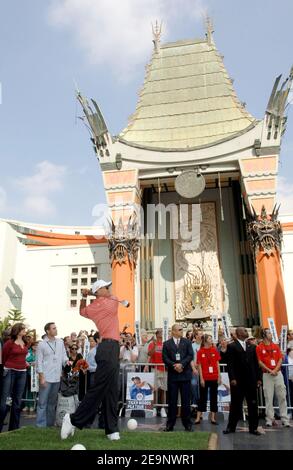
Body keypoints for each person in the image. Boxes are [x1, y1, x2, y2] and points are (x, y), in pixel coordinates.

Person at [61, 279, 129, 441]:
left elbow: (82, 311)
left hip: (108, 348)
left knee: (111, 390)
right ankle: (73, 419)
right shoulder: (110, 302)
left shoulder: (93, 307)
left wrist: (85, 296)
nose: (109, 288)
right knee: (99, 388)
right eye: (106, 287)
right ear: (100, 291)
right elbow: (110, 297)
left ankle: (111, 429)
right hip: (108, 348)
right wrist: (91, 293)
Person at [223, 327, 262, 435]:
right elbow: (230, 364)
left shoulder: (252, 346)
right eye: (244, 331)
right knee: (236, 405)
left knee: (253, 405)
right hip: (238, 381)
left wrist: (259, 378)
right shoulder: (232, 346)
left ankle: (253, 428)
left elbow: (256, 364)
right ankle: (231, 427)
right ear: (239, 333)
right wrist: (232, 378)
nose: (246, 332)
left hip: (251, 380)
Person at [162, 323, 194, 432]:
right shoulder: (166, 344)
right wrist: (174, 365)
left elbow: (190, 355)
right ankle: (170, 424)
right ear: (174, 331)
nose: (182, 331)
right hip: (173, 376)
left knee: (186, 402)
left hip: (185, 376)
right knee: (172, 401)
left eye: (182, 329)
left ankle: (187, 424)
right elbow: (165, 358)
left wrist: (182, 364)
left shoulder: (187, 342)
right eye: (180, 329)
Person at [36, 322, 68, 427]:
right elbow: (39, 361)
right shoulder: (42, 344)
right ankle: (40, 425)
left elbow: (63, 356)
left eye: (56, 328)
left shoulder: (60, 342)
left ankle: (49, 425)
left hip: (56, 377)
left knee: (52, 403)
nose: (56, 329)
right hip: (46, 377)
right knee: (42, 403)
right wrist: (41, 377)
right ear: (48, 331)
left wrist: (67, 362)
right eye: (53, 328)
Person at [256, 328, 290, 427]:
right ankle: (269, 418)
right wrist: (270, 370)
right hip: (267, 374)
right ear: (264, 335)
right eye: (269, 333)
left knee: (282, 396)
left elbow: (280, 359)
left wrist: (275, 369)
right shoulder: (259, 347)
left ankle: (285, 419)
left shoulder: (275, 346)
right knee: (268, 397)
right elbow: (260, 362)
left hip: (278, 373)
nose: (271, 334)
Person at [0, 323, 28, 432]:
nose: (25, 330)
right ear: (17, 330)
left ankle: (14, 429)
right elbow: (4, 357)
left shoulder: (25, 342)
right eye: (23, 329)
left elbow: (22, 356)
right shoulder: (9, 343)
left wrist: (24, 362)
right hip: (10, 371)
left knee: (17, 402)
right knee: (5, 402)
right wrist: (6, 368)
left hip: (23, 372)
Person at [195, 334, 221, 425]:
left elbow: (217, 363)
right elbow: (199, 366)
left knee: (214, 397)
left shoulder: (214, 350)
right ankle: (198, 417)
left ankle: (213, 417)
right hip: (205, 377)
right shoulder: (200, 351)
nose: (211, 340)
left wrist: (219, 376)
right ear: (205, 341)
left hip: (214, 377)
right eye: (210, 338)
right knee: (202, 397)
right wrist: (201, 378)